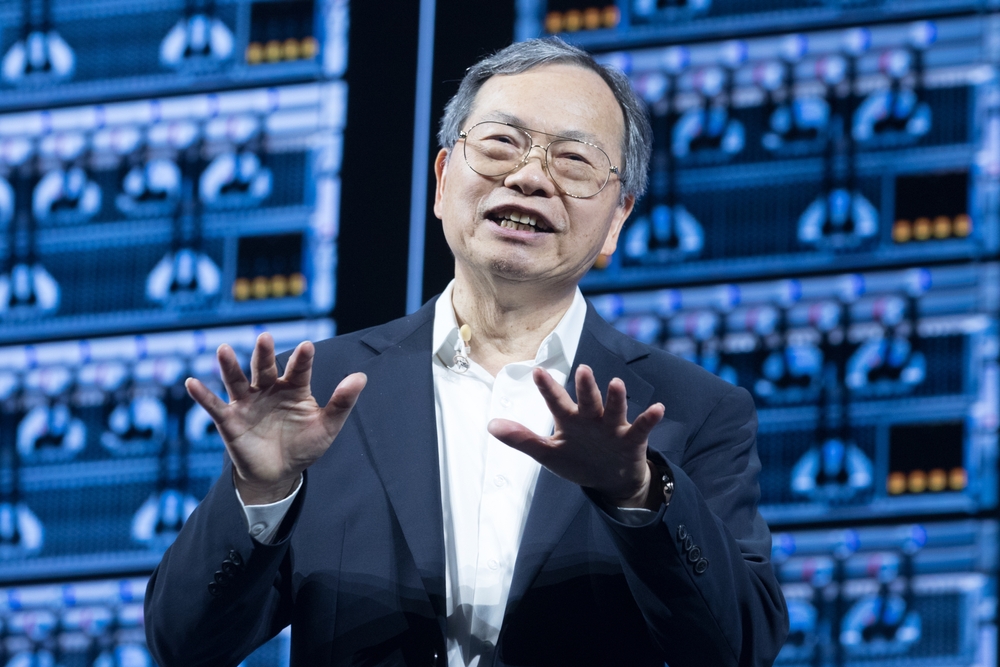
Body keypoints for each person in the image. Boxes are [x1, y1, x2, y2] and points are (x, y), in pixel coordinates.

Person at [144, 37, 788, 667]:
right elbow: (184, 644)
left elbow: (740, 647)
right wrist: (262, 492)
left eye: (574, 160)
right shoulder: (322, 390)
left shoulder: (691, 410)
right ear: (442, 179)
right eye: (501, 143)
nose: (529, 177)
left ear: (617, 218)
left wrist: (639, 495)